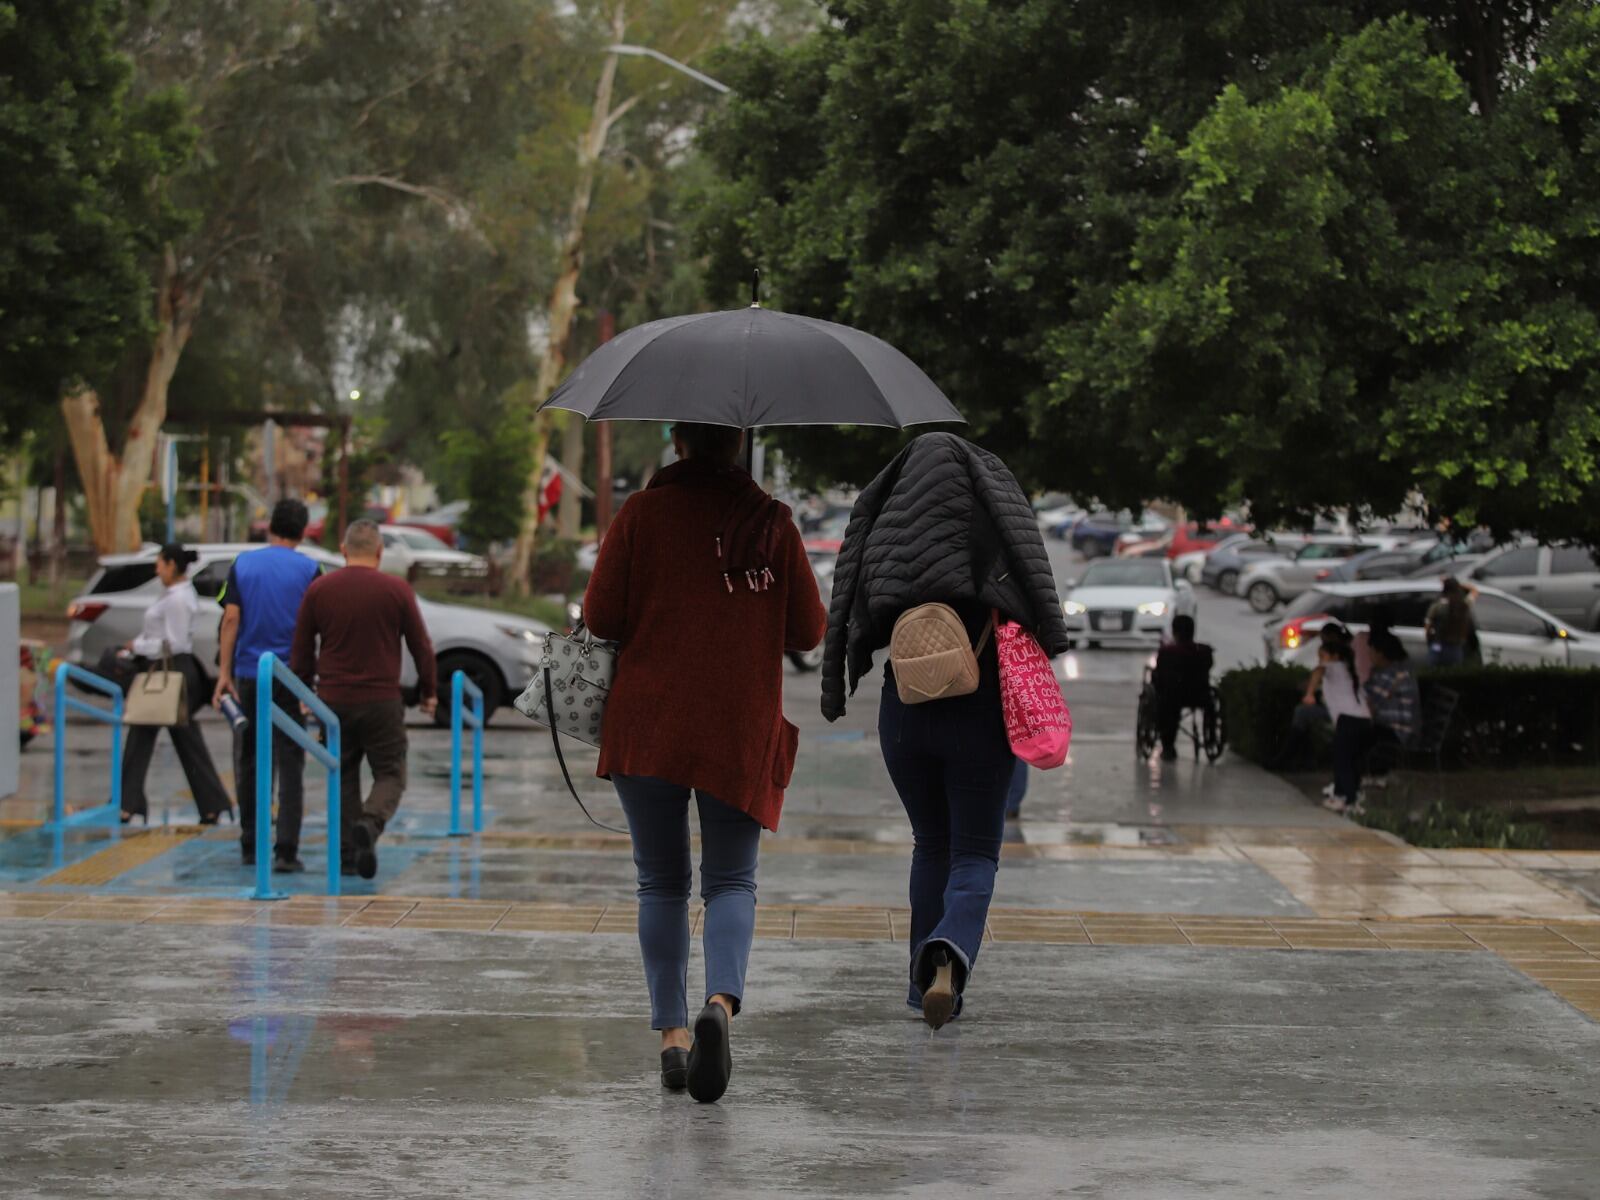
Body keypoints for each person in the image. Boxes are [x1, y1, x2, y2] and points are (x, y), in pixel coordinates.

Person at [584, 423, 825, 1104]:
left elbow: (600, 617)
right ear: (739, 445)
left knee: (660, 882)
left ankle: (671, 1037)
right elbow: (809, 630)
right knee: (731, 881)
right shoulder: (771, 522)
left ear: (678, 442)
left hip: (648, 725)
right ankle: (719, 1004)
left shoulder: (641, 514)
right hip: (736, 727)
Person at [822, 432, 1069, 1031]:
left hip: (904, 711)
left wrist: (835, 684)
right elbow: (1035, 594)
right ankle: (949, 951)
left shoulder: (882, 526)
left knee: (929, 843)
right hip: (978, 708)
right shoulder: (992, 524)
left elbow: (852, 611)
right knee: (975, 851)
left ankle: (920, 989)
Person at [290, 519, 437, 880]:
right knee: (390, 772)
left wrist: (303, 691)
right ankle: (370, 824)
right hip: (382, 700)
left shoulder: (320, 589)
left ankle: (347, 856)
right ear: (379, 552)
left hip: (333, 700)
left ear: (343, 550)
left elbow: (302, 647)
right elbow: (421, 645)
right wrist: (429, 692)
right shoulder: (396, 590)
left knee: (342, 774)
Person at [213, 499, 321, 872]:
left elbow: (230, 619)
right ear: (303, 532)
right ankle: (287, 850)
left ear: (270, 527)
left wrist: (224, 673)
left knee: (251, 759)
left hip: (250, 674)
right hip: (292, 677)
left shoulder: (243, 564)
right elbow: (318, 626)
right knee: (291, 761)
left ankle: (251, 844)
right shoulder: (311, 569)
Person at [116, 544, 233, 825]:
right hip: (169, 669)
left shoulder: (178, 599)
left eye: (160, 564)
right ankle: (210, 804)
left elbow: (175, 643)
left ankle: (129, 804)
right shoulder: (173, 595)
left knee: (150, 732)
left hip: (172, 672)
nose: (157, 570)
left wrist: (138, 646)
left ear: (171, 565)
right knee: (178, 737)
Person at [1300, 624, 1371, 812]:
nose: (1320, 661)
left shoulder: (1333, 667)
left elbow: (1318, 671)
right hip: (1363, 720)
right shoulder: (1348, 671)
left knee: (1342, 760)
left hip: (1348, 720)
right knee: (1352, 760)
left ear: (1335, 656)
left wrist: (1309, 693)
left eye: (1322, 656)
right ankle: (1352, 796)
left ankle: (1343, 797)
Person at [1359, 629, 1421, 783]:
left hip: (1396, 732)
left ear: (1380, 654)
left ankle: (1369, 773)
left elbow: (1366, 700)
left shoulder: (1391, 674)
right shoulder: (1395, 670)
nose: (1369, 655)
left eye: (1371, 651)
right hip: (1396, 728)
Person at [1151, 614, 1214, 760]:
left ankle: (1168, 746)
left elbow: (1159, 675)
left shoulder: (1167, 652)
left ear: (1174, 631)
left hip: (1171, 696)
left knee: (1165, 704)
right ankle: (1210, 739)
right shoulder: (1204, 651)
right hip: (1200, 694)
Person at [1424, 577, 1474, 666]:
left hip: (1438, 644)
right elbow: (1474, 590)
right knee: (1453, 672)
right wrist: (1457, 584)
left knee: (1434, 671)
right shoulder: (1463, 604)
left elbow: (1427, 625)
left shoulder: (1438, 605)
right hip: (1456, 646)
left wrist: (1429, 639)